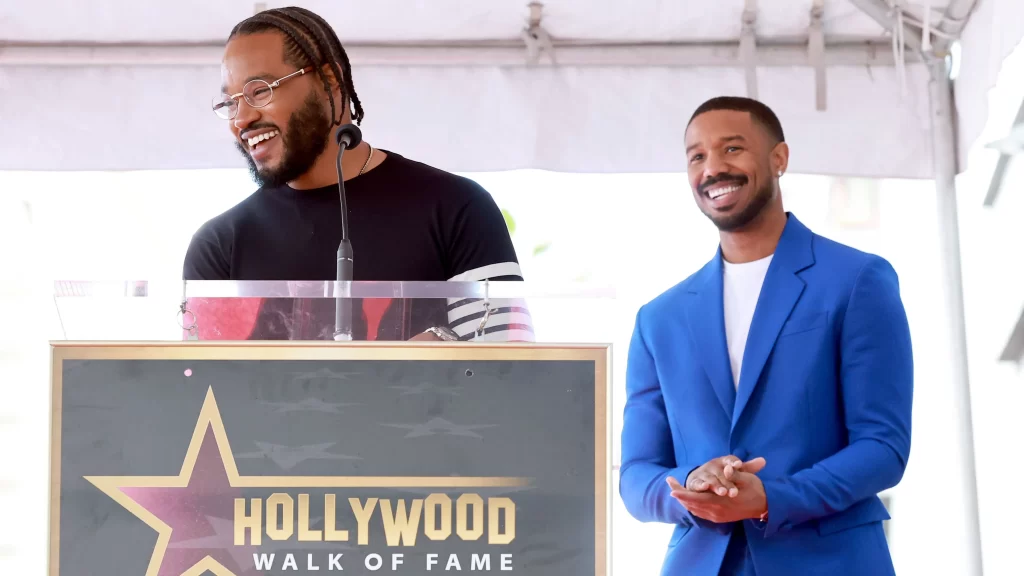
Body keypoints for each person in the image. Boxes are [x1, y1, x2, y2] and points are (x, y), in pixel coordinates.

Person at [618, 96, 913, 575]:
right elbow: (636, 475)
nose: (713, 168)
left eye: (732, 149)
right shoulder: (659, 319)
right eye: (697, 156)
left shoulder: (858, 280)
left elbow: (883, 447)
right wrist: (691, 482)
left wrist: (771, 498)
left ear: (779, 159)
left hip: (830, 562)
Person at [181, 6, 532, 342]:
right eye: (230, 103)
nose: (241, 119)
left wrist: (443, 348)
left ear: (329, 81)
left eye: (260, 91)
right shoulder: (218, 247)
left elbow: (508, 373)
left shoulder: (457, 209)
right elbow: (205, 393)